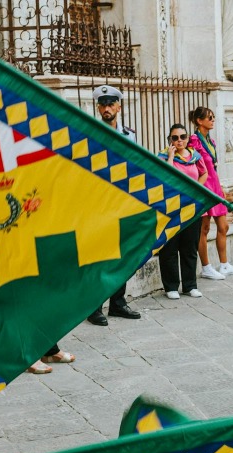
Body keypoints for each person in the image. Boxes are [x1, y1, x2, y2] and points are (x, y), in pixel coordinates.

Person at [86, 85, 142, 325]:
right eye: (102, 105)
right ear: (98, 108)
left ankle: (118, 303)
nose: (106, 109)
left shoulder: (129, 135)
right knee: (100, 255)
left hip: (122, 200)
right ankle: (94, 307)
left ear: (119, 107)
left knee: (122, 254)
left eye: (110, 104)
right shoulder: (91, 132)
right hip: (98, 201)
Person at [188, 106, 233, 281]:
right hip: (204, 187)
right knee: (204, 228)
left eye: (213, 117)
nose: (212, 120)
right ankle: (206, 267)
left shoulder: (211, 141)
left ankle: (224, 264)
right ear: (199, 121)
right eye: (209, 117)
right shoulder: (194, 141)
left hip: (215, 185)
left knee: (223, 226)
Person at [159, 125, 206, 300]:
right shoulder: (163, 156)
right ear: (170, 140)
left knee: (189, 247)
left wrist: (196, 189)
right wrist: (171, 157)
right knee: (169, 248)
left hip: (191, 207)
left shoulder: (195, 156)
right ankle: (171, 286)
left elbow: (204, 173)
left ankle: (190, 285)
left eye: (182, 137)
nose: (179, 140)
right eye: (175, 137)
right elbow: (167, 176)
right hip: (171, 208)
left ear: (187, 138)